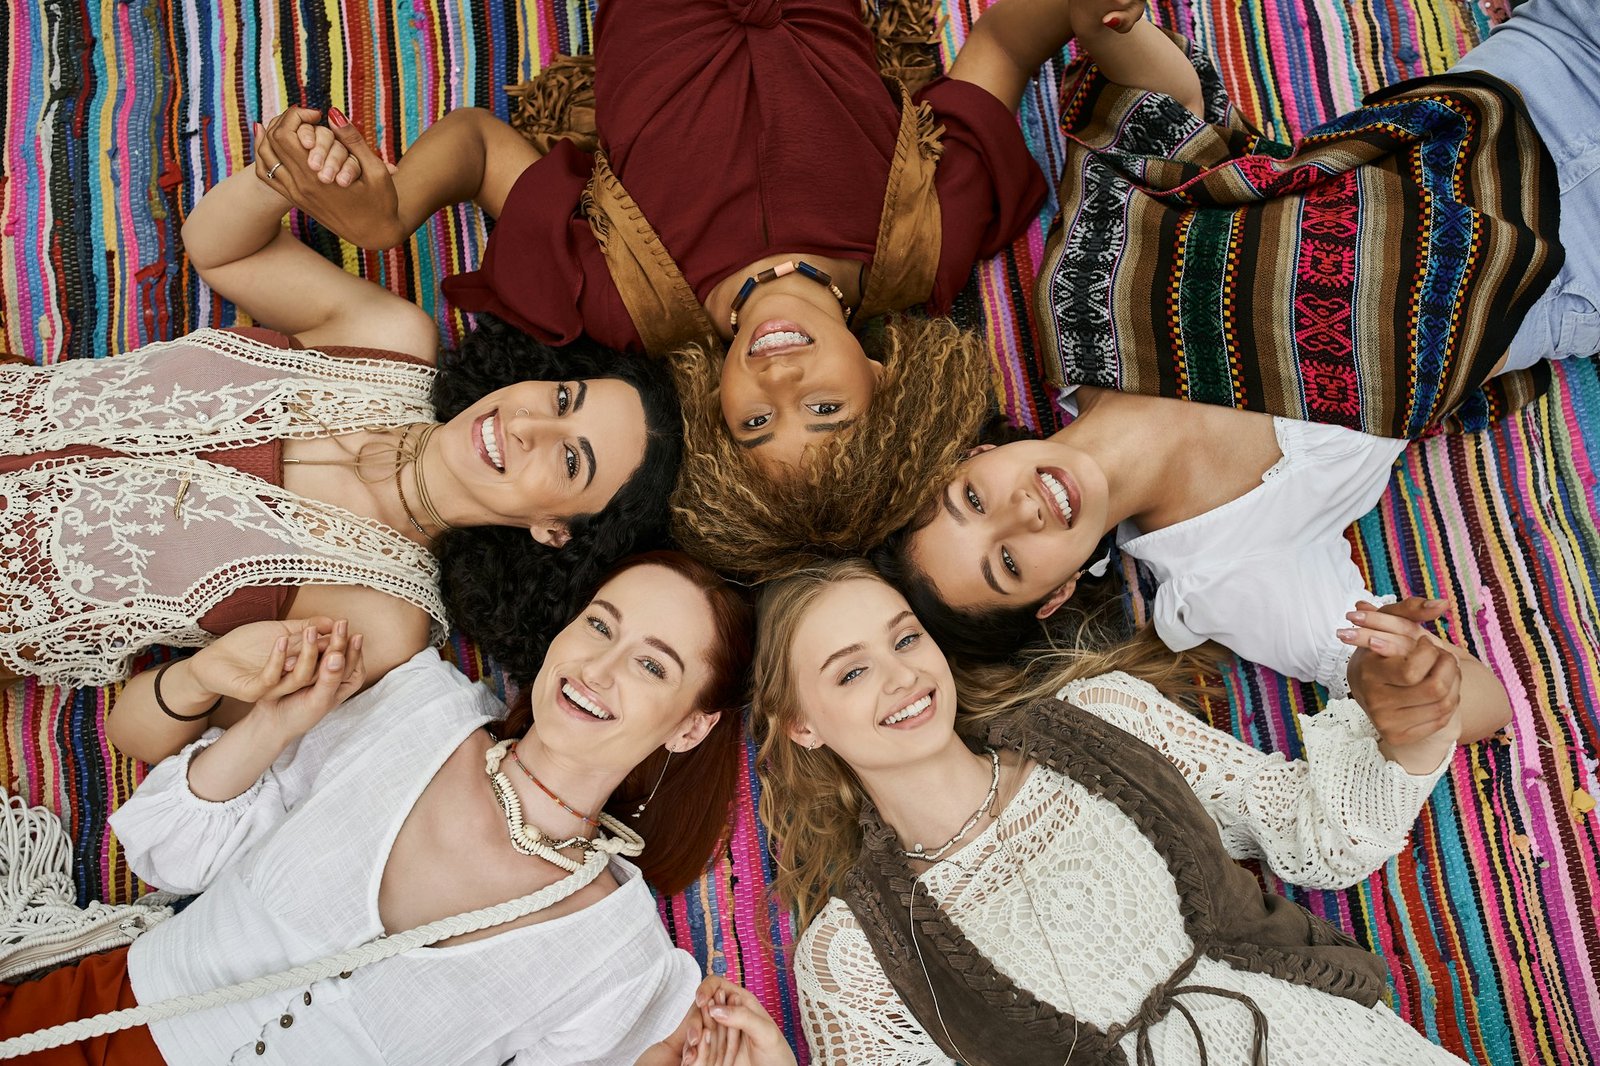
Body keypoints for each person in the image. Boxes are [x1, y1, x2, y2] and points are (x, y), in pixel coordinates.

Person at [879, 0, 1600, 738]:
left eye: (972, 498)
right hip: (1578, 262)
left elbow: (1168, 116)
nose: (1020, 515)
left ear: (977, 454)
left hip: (1529, 71)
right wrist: (1406, 686)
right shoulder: (1222, 569)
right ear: (1056, 595)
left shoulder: (1084, 307)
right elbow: (1478, 703)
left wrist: (1112, 28)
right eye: (1007, 563)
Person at [254, 0, 1148, 569]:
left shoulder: (626, 298)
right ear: (881, 378)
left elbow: (483, 147)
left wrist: (391, 209)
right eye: (826, 411)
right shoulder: (924, 241)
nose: (782, 383)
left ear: (714, 405)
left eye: (754, 421)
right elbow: (1005, 38)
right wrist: (1085, 11)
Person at [1, 156, 682, 764]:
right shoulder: (388, 341)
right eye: (563, 396)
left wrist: (202, 677)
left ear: (554, 531)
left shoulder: (382, 623)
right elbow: (221, 251)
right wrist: (282, 171)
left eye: (570, 462)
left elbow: (141, 738)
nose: (529, 423)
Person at [0, 552, 755, 1065]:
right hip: (98, 1024)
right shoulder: (412, 710)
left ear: (691, 725)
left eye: (652, 664)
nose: (599, 666)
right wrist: (273, 725)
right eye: (600, 623)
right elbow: (164, 854)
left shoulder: (621, 961)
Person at [745, 558, 1471, 1064]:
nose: (902, 674)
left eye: (905, 637)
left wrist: (1408, 726)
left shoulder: (1104, 718)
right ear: (800, 725)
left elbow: (1319, 839)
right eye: (851, 671)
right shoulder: (854, 956)